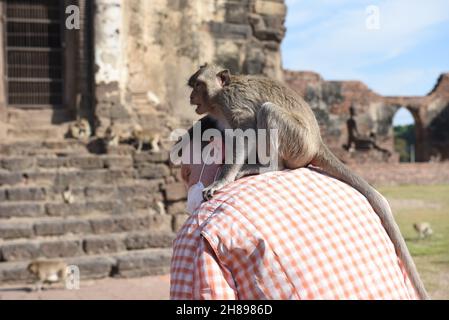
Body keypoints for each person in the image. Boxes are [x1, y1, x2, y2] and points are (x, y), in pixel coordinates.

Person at [170, 118, 419, 300]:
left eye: (188, 172)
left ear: (215, 148)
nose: (187, 186)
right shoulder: (352, 193)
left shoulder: (206, 227)